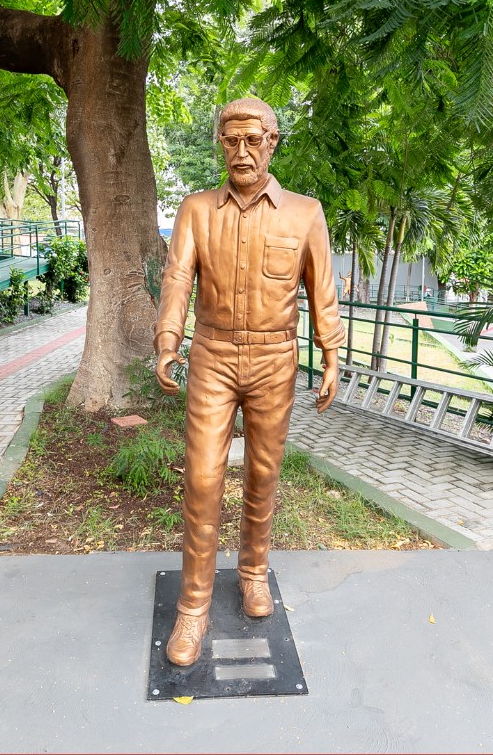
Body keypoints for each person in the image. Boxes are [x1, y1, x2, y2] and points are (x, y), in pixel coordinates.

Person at [154, 98, 346, 667]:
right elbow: (177, 278)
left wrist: (331, 355)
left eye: (252, 140)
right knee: (202, 479)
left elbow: (322, 289)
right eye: (231, 140)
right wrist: (167, 340)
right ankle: (193, 606)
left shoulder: (305, 214)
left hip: (273, 359)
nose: (241, 152)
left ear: (272, 142)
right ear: (221, 144)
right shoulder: (196, 210)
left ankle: (254, 572)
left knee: (263, 473)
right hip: (212, 357)